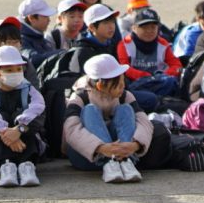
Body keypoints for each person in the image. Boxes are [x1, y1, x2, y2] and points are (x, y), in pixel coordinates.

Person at [62, 54, 153, 183]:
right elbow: (71, 130)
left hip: (121, 152)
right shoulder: (80, 97)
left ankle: (126, 161)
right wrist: (102, 148)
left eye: (123, 83)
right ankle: (108, 163)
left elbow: (144, 122)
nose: (123, 87)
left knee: (126, 109)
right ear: (100, 85)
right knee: (90, 110)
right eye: (118, 85)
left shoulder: (125, 96)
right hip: (88, 155)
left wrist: (135, 145)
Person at [0, 46, 46, 187]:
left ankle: (27, 165)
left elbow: (38, 113)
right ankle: (7, 166)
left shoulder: (31, 91)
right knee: (0, 117)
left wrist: (19, 130)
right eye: (9, 70)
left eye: (19, 69)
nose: (15, 73)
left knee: (22, 117)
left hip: (26, 140)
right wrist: (7, 134)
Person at [115, 8, 182, 110]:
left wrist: (163, 75)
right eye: (144, 27)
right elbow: (124, 68)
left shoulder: (163, 44)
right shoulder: (125, 44)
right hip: (136, 84)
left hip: (159, 81)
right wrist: (145, 76)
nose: (149, 31)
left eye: (153, 27)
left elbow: (176, 65)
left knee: (171, 81)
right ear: (134, 28)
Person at [18, 0, 58, 67]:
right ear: (31, 18)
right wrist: (60, 53)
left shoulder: (38, 35)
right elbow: (31, 60)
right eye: (45, 16)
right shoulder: (19, 39)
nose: (49, 20)